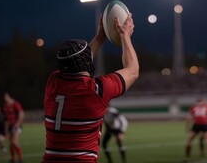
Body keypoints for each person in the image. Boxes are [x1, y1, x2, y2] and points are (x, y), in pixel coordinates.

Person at [42, 13, 139, 163]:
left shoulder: (53, 82)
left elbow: (78, 62)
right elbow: (132, 70)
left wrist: (101, 36)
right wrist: (125, 36)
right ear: (86, 63)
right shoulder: (96, 90)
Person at [184, 98, 207, 162]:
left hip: (198, 125)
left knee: (189, 140)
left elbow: (188, 118)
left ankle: (187, 157)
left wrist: (187, 128)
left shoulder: (193, 107)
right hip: (205, 125)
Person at [4, 92, 24, 163]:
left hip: (16, 126)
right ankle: (13, 159)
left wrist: (18, 124)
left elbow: (21, 113)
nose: (5, 99)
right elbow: (6, 119)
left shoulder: (15, 103)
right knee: (11, 144)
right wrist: (6, 131)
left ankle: (20, 159)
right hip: (10, 126)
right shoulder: (6, 106)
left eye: (6, 97)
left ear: (9, 96)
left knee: (14, 142)